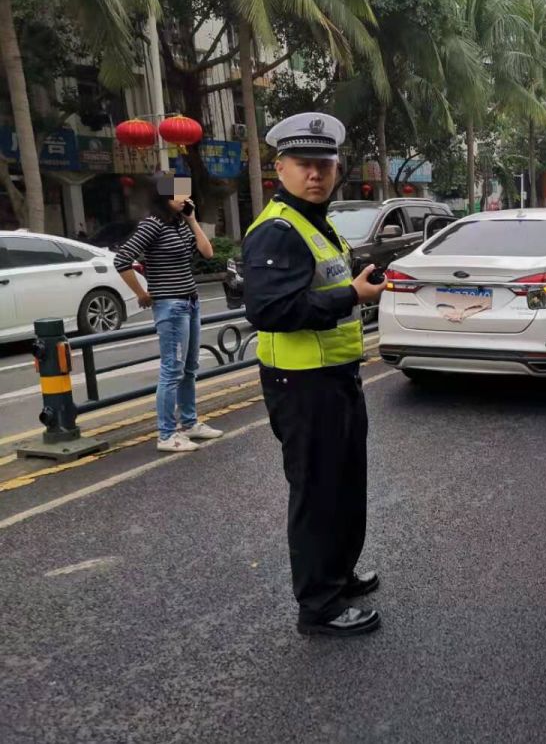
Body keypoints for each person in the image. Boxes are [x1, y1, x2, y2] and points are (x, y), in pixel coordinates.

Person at [242, 113, 387, 637]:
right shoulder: (277, 231)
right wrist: (352, 294)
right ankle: (318, 608)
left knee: (346, 486)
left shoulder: (316, 223)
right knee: (316, 493)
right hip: (301, 385)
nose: (315, 174)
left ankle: (339, 574)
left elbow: (323, 285)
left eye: (324, 164)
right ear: (279, 168)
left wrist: (359, 282)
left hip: (337, 376)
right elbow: (269, 310)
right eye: (303, 164)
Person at [114, 193, 224, 452]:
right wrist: (142, 294)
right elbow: (122, 260)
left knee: (189, 368)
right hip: (171, 306)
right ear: (162, 196)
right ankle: (166, 434)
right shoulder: (152, 224)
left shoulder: (180, 225)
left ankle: (189, 423)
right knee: (172, 370)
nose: (185, 197)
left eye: (186, 192)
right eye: (177, 192)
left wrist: (192, 220)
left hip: (191, 302)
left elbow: (207, 253)